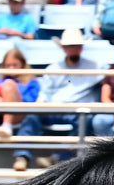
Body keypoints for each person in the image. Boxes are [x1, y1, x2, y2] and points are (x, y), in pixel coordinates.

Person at [14, 28, 103, 169]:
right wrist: (41, 104)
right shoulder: (54, 68)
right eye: (70, 46)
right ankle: (22, 156)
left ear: (81, 48)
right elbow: (45, 93)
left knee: (85, 120)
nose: (74, 49)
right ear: (64, 48)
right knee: (32, 116)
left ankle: (59, 158)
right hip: (54, 108)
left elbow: (110, 79)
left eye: (77, 46)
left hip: (77, 110)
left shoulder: (95, 67)